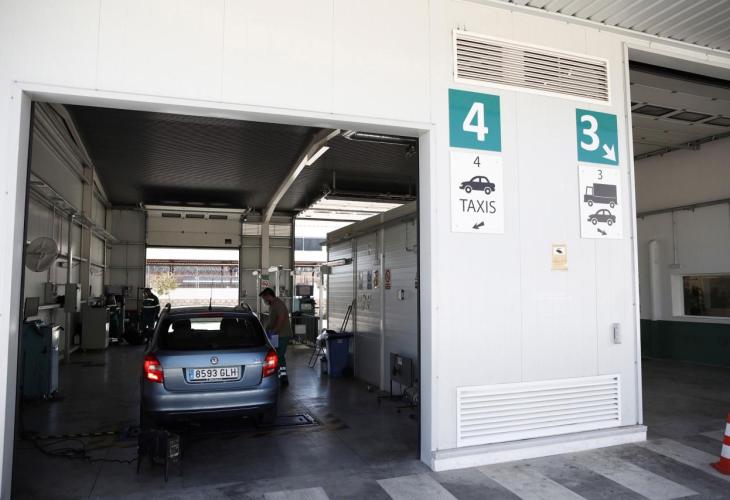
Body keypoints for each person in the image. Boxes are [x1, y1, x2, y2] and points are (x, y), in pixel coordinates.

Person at [259, 287, 292, 385]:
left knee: (279, 355)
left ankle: (283, 376)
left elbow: (281, 319)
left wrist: (274, 331)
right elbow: (272, 320)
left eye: (264, 298)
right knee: (276, 355)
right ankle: (279, 375)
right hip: (275, 335)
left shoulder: (278, 304)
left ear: (268, 296)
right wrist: (268, 330)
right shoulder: (272, 305)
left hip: (282, 335)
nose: (264, 301)